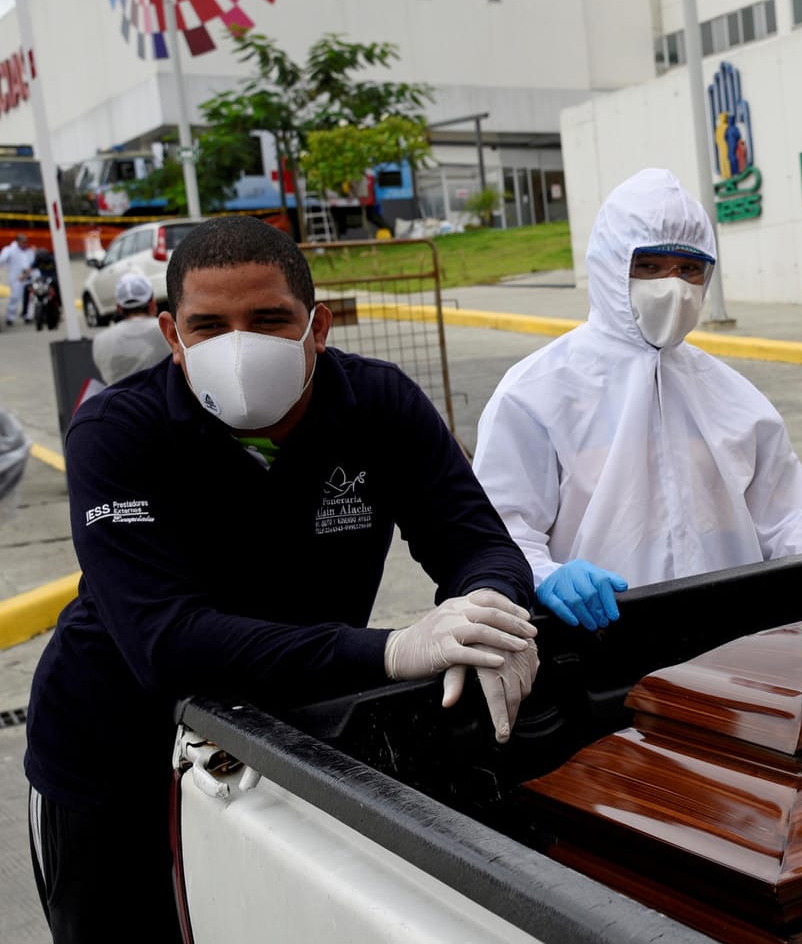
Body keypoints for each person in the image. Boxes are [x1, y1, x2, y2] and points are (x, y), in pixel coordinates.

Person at [25, 216, 540, 943]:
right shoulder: (118, 431)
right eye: (209, 326)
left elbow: (478, 542)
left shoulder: (379, 405)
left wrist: (494, 609)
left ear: (317, 325)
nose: (239, 346)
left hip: (297, 742)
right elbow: (165, 643)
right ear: (172, 336)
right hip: (115, 757)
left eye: (268, 319)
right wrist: (391, 650)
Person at [474, 170, 802, 632]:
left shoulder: (732, 395)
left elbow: (783, 525)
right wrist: (546, 576)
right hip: (601, 644)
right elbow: (498, 537)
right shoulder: (536, 392)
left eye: (689, 270)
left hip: (733, 635)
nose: (673, 287)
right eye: (649, 267)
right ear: (609, 266)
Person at [91, 272, 172, 383]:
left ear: (119, 308)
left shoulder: (100, 340)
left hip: (118, 400)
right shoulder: (167, 329)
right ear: (152, 303)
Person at [1, 231, 31, 327]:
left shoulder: (28, 251)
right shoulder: (9, 250)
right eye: (23, 242)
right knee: (14, 297)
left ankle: (28, 316)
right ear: (18, 241)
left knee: (28, 298)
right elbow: (2, 260)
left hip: (27, 277)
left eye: (26, 242)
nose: (25, 244)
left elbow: (32, 263)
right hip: (16, 278)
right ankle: (10, 317)